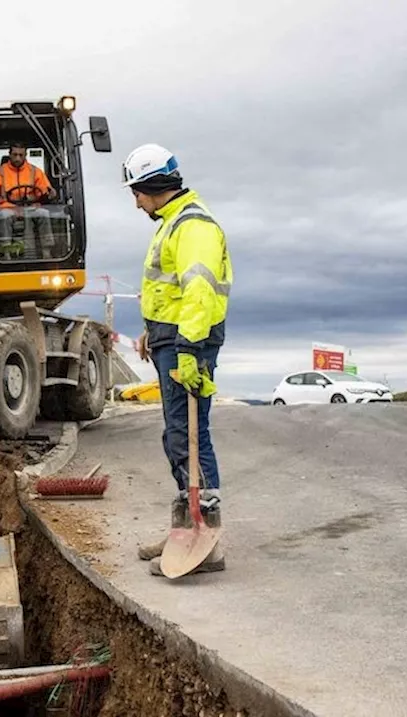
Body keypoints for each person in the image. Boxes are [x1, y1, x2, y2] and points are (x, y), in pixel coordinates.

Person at [123, 143, 232, 576]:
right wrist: (156, 331)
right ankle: (185, 527)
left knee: (190, 436)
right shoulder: (173, 224)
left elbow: (199, 292)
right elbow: (172, 291)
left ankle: (208, 539)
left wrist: (186, 348)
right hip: (174, 338)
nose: (136, 202)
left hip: (191, 343)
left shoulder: (193, 227)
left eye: (137, 192)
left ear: (154, 186)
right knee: (177, 436)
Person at [0, 141, 58, 258]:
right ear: (9, 154)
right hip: (8, 208)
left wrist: (49, 195)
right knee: (3, 215)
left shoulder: (35, 172)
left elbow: (45, 191)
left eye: (21, 155)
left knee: (43, 213)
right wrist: (10, 206)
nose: (18, 158)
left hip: (30, 208)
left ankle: (46, 252)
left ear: (25, 155)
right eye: (15, 155)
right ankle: (6, 252)